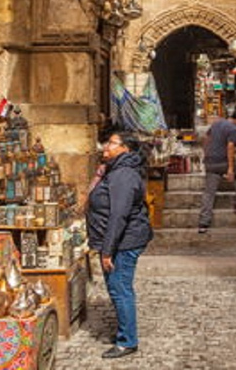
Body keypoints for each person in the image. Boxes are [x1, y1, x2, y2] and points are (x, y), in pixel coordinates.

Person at [86, 131, 153, 359]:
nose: (106, 146)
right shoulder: (116, 169)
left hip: (123, 242)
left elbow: (119, 215)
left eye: (112, 144)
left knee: (120, 288)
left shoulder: (123, 174)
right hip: (117, 240)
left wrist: (108, 250)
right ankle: (125, 332)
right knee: (117, 288)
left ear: (126, 149)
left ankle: (127, 341)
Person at [198, 106, 236, 234]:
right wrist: (231, 169)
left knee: (209, 192)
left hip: (210, 162)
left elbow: (206, 138)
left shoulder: (217, 123)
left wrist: (206, 154)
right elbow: (230, 147)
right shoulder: (234, 129)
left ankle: (203, 223)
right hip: (223, 161)